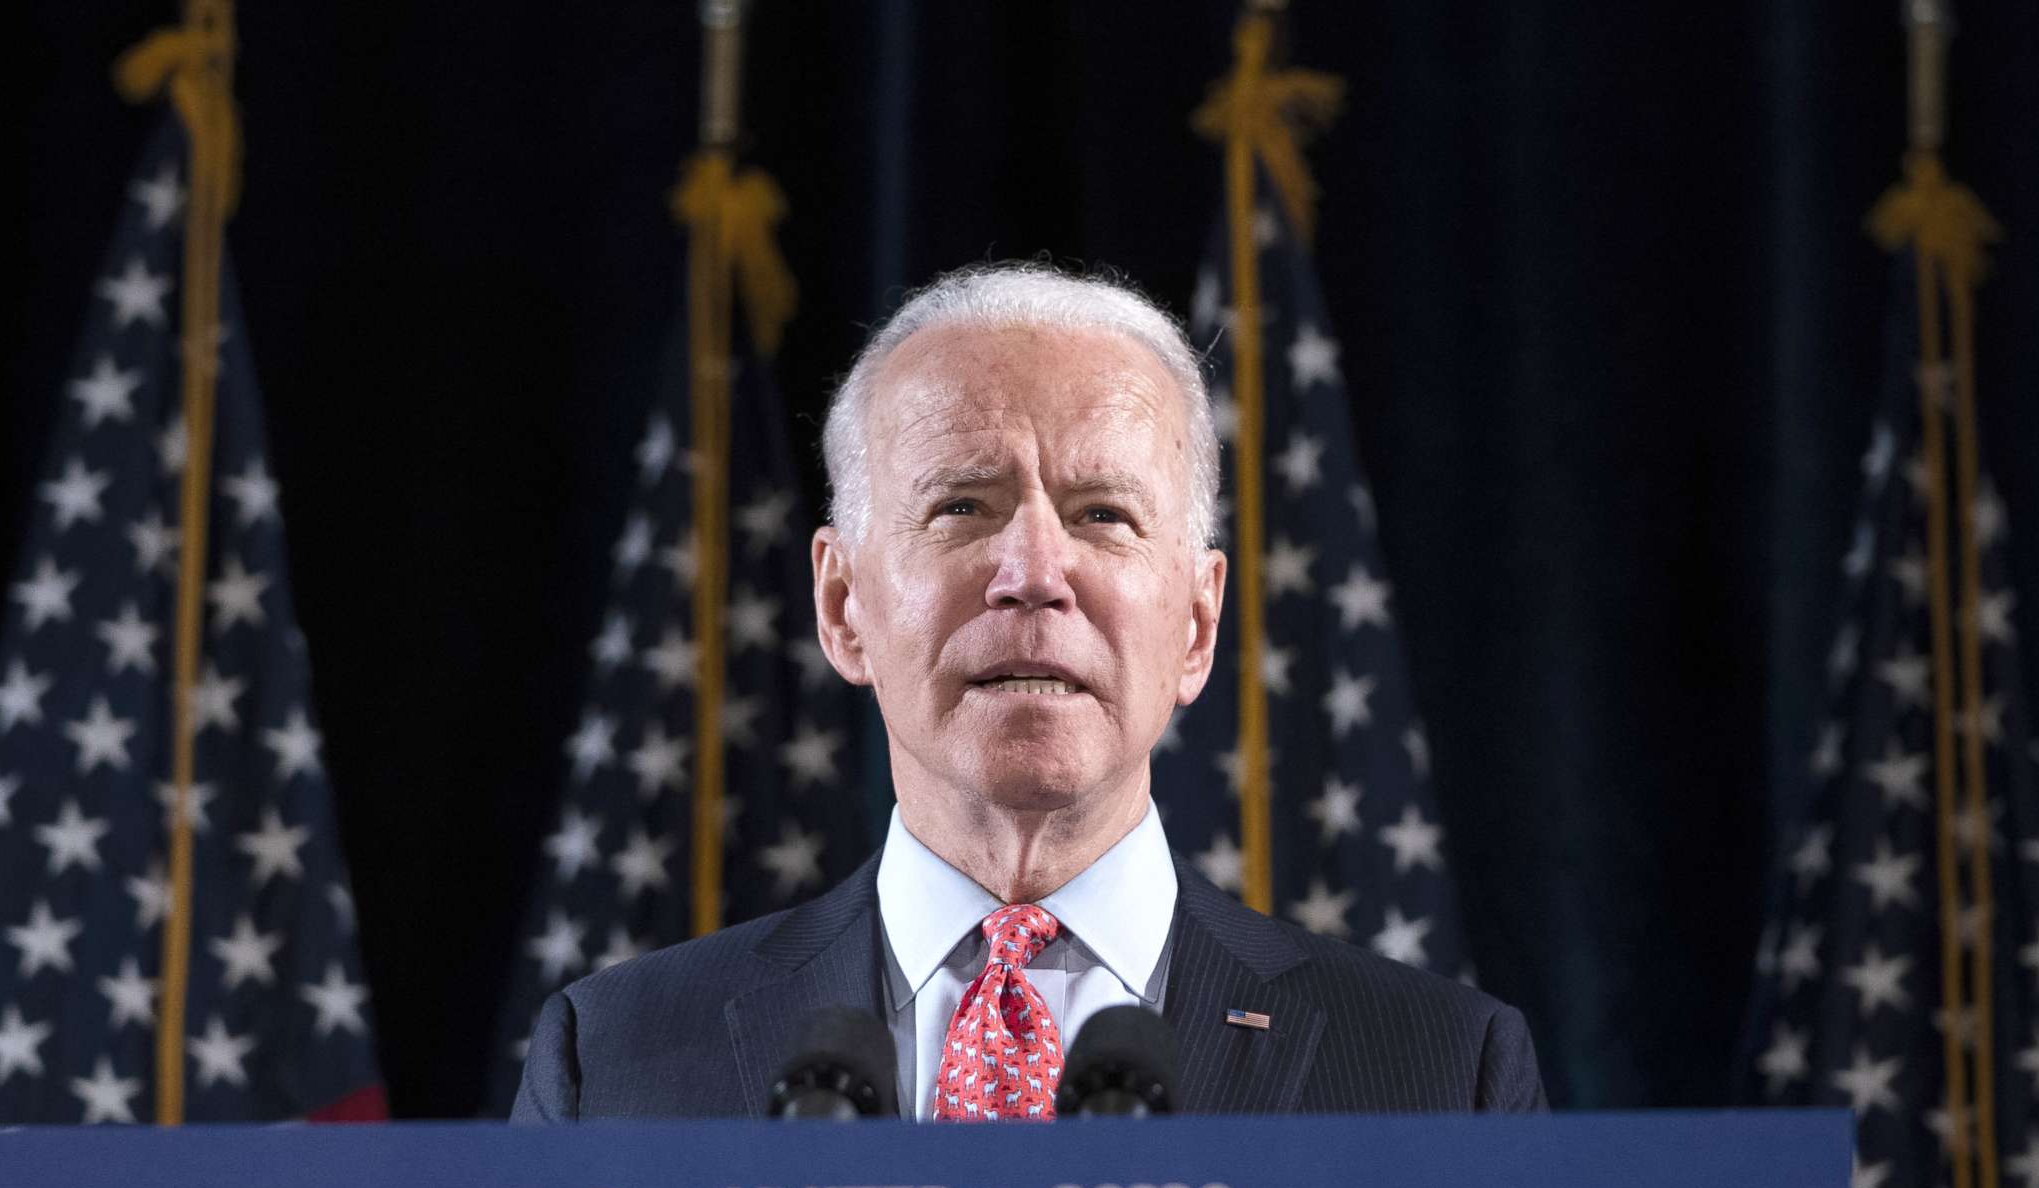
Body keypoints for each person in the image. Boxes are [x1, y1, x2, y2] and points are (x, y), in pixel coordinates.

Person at [513, 261, 1545, 1121]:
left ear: (1195, 622)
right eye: (963, 505)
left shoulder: (1444, 1078)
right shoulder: (612, 1066)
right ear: (841, 607)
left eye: (1103, 513)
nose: (1036, 571)